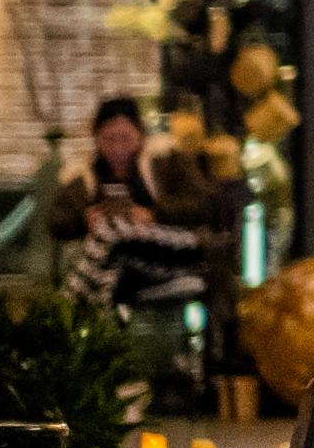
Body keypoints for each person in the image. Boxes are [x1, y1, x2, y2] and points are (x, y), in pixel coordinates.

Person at [47, 95, 214, 312]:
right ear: (97, 139)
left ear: (141, 135)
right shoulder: (86, 174)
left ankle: (65, 308)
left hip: (176, 251)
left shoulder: (166, 161)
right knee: (109, 269)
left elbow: (203, 204)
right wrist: (84, 220)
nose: (118, 148)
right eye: (109, 139)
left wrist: (153, 214)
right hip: (124, 263)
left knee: (111, 231)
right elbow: (56, 221)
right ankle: (100, 316)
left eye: (125, 138)